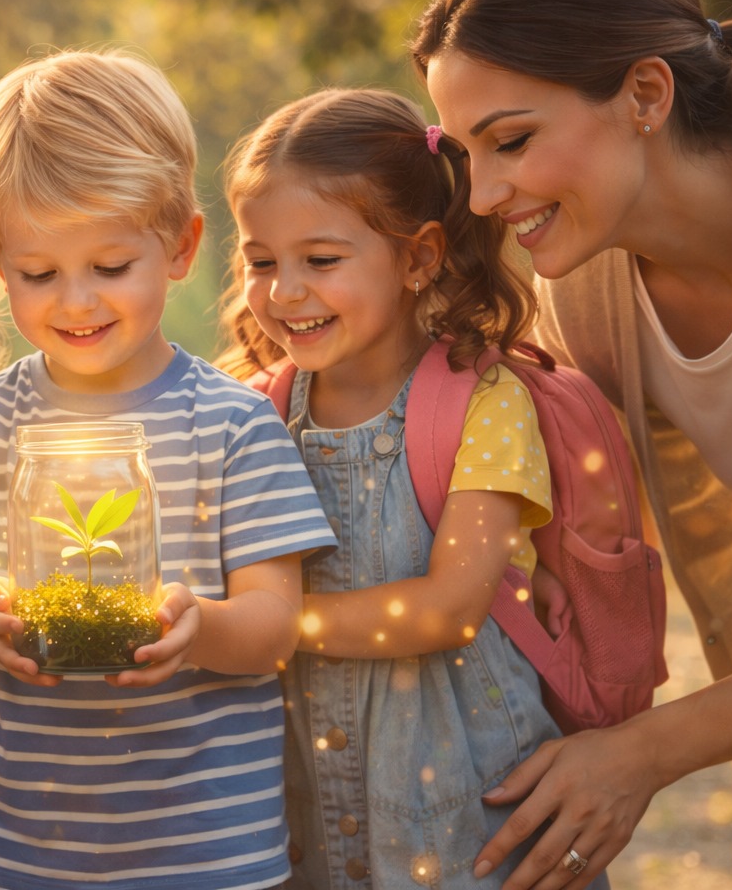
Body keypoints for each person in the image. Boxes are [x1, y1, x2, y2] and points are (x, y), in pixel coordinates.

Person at [413, 0, 732, 890]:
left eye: (511, 140)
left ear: (645, 91)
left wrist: (645, 750)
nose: (480, 195)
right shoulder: (588, 289)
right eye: (464, 151)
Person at [0, 48, 333, 890]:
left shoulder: (235, 424)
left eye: (111, 267)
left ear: (181, 246)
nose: (77, 301)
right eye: (39, 273)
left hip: (210, 855)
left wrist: (201, 628)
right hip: (23, 853)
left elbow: (275, 626)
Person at [216, 87, 612, 889]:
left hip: (469, 812)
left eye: (321, 260)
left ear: (419, 256)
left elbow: (447, 608)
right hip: (304, 814)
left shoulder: (483, 402)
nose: (284, 291)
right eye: (262, 262)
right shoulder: (254, 414)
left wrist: (264, 627)